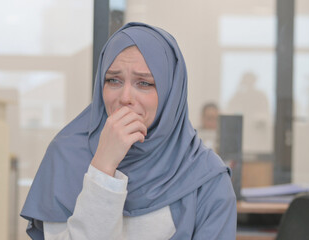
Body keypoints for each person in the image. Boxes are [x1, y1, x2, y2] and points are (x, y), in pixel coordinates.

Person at [21, 22, 236, 240]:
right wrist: (103, 166)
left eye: (144, 83)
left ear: (171, 93)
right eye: (113, 80)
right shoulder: (66, 155)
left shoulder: (206, 176)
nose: (125, 98)